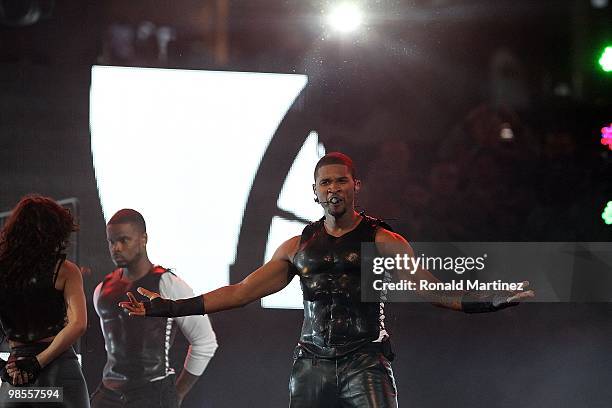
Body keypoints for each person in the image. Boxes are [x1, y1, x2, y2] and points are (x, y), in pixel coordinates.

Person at [120, 152, 534, 407]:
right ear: (314, 192)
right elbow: (243, 292)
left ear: (355, 187)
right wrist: (169, 309)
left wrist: (487, 301)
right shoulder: (297, 246)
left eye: (341, 181)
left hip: (365, 362)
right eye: (325, 182)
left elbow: (427, 288)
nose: (333, 188)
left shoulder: (382, 240)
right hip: (312, 364)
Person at [92, 209, 218, 408]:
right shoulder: (102, 289)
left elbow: (205, 342)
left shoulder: (168, 284)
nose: (116, 248)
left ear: (143, 239)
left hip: (152, 393)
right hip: (109, 395)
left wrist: (177, 394)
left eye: (124, 240)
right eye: (111, 241)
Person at [0, 195, 90, 407]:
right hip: (58, 372)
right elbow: (78, 324)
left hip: (16, 378)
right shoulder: (65, 270)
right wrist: (38, 363)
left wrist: (3, 369)